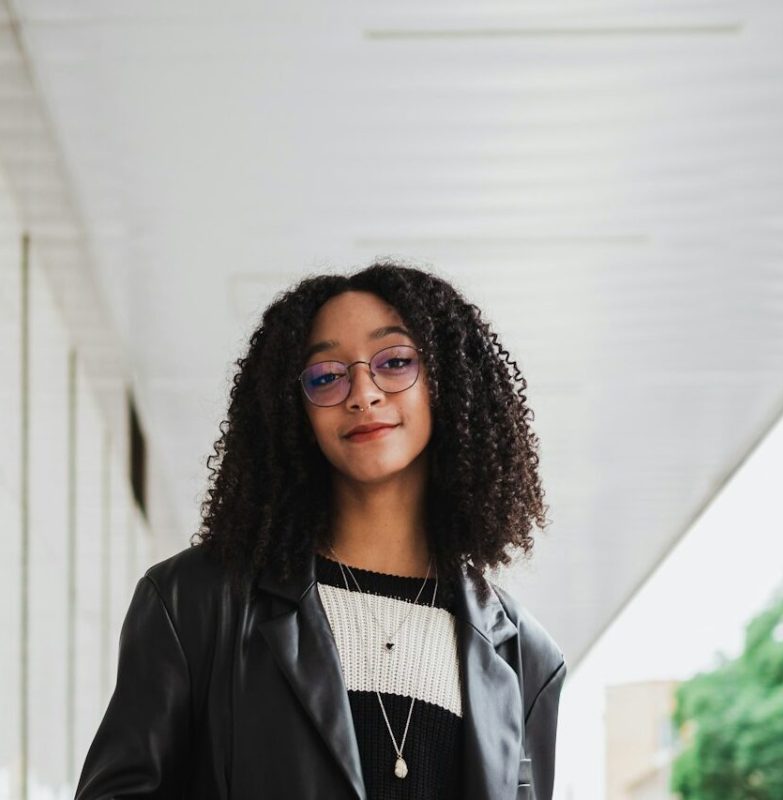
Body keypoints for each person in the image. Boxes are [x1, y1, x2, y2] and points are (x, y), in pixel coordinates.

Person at [75, 260, 567, 800]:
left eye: (396, 362)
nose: (363, 393)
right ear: (294, 412)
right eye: (327, 376)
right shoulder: (192, 604)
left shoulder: (525, 657)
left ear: (448, 382)